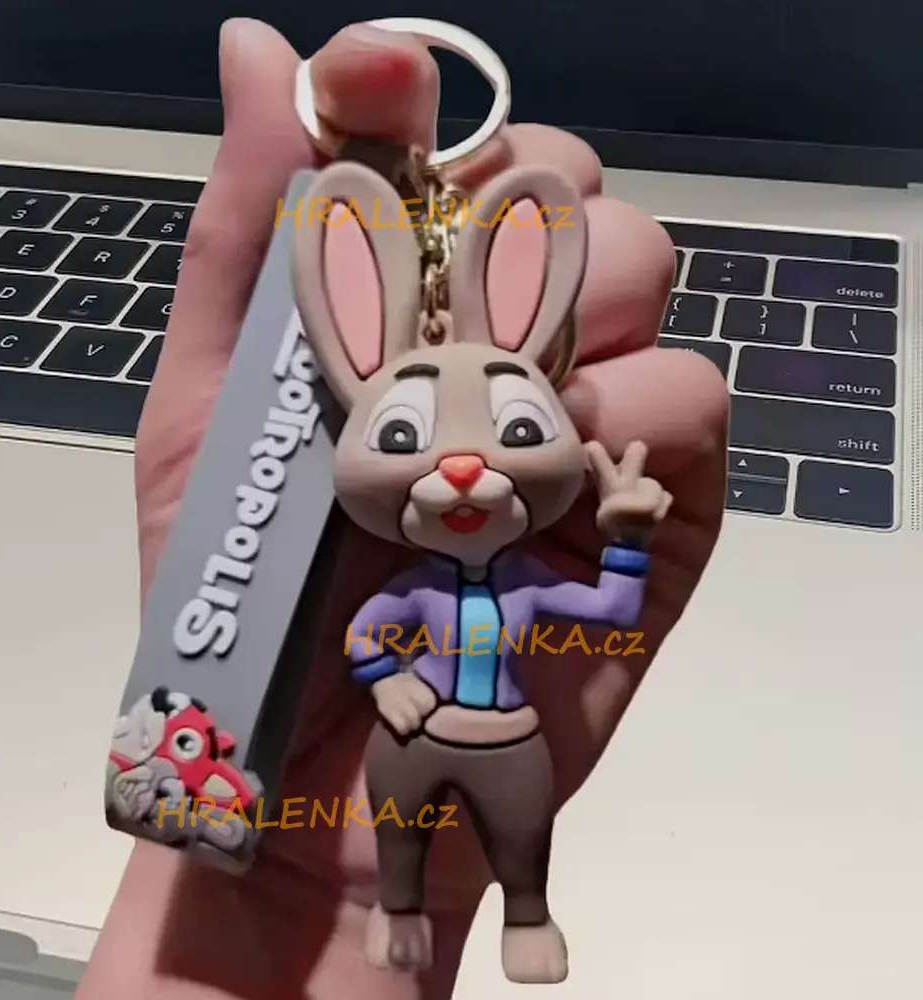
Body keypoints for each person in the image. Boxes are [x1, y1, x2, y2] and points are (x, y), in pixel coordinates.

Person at [76, 18, 728, 1000]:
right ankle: (397, 900)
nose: (460, 470)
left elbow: (602, 608)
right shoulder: (411, 593)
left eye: (515, 428)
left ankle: (524, 908)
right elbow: (370, 634)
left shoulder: (526, 587)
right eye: (405, 436)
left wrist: (626, 533)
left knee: (517, 829)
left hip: (507, 740)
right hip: (404, 745)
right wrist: (383, 683)